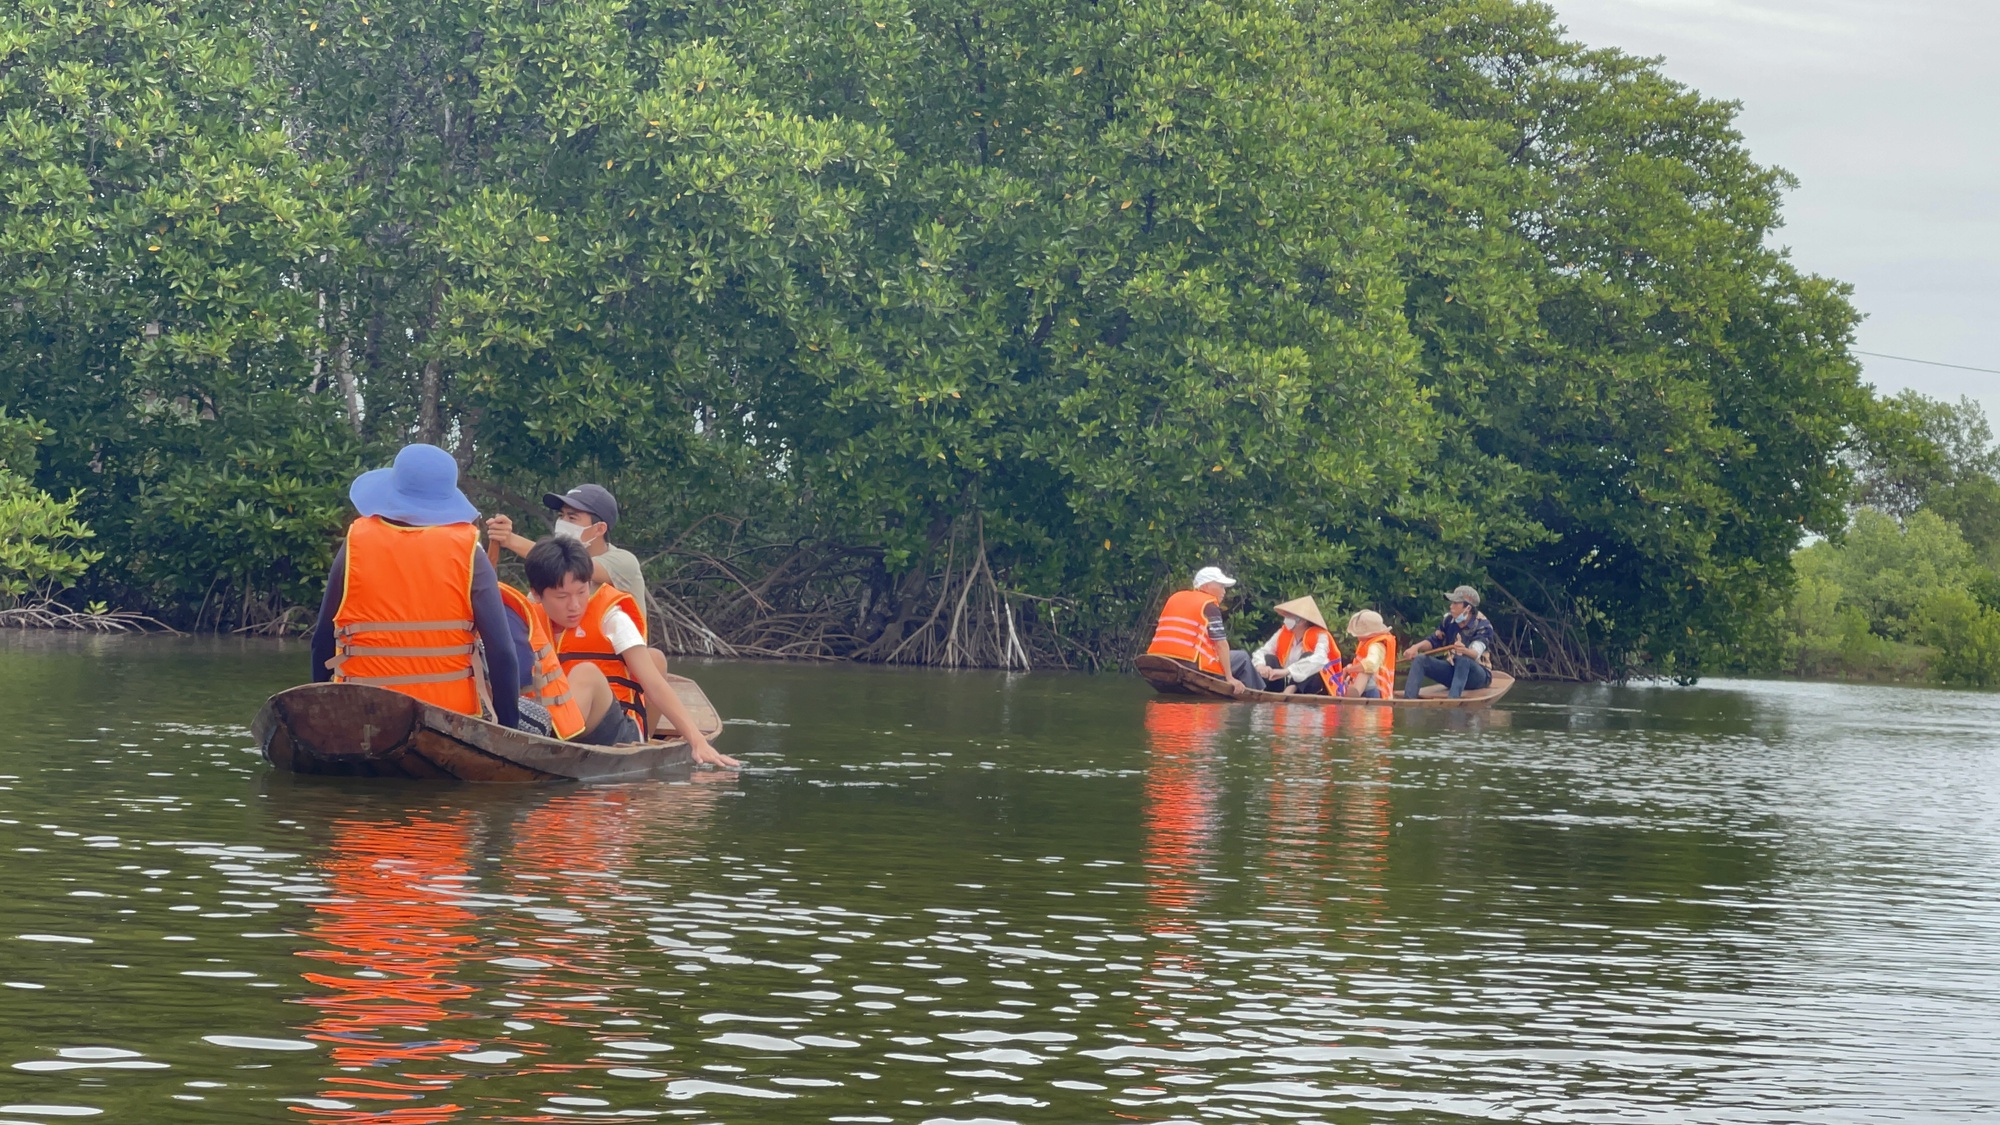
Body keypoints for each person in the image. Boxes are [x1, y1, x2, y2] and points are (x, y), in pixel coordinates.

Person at [310, 444, 520, 728]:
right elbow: (503, 655)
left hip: (361, 710)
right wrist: (508, 730)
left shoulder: (356, 543)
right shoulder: (470, 552)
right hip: (448, 719)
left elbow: (323, 638)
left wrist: (321, 714)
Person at [532, 536, 739, 768]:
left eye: (582, 592)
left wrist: (697, 741)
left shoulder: (612, 619)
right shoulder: (528, 620)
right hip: (551, 720)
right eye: (562, 597)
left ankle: (540, 746)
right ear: (537, 595)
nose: (575, 605)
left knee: (586, 673)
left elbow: (655, 685)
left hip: (617, 730)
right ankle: (534, 736)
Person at [485, 483, 647, 602]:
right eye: (561, 516)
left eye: (572, 517)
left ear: (599, 529)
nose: (563, 522)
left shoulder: (624, 562)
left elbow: (570, 564)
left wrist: (511, 540)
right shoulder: (550, 570)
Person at [1144, 566, 1258, 695]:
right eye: (1221, 586)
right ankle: (1256, 697)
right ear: (1206, 586)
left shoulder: (1174, 598)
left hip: (1159, 657)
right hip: (1190, 664)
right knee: (1242, 657)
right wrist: (1229, 678)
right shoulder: (1209, 605)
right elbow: (1220, 644)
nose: (1224, 591)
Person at [1404, 584, 1497, 700]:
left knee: (1463, 659)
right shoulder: (1448, 620)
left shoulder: (1483, 625)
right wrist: (1416, 647)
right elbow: (1434, 641)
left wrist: (1464, 650)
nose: (1451, 606)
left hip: (1478, 675)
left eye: (1455, 603)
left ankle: (1452, 700)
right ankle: (1408, 700)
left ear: (1468, 608)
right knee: (1420, 659)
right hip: (1453, 672)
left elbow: (1475, 653)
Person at [1248, 596, 1342, 695]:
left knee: (1309, 657)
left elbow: (1320, 659)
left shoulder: (1321, 635)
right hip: (1282, 681)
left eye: (1290, 616)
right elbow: (1263, 651)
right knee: (1269, 658)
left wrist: (1287, 671)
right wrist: (1261, 666)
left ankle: (1289, 691)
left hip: (1311, 685)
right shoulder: (1283, 632)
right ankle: (1264, 691)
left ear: (1302, 621)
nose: (1286, 619)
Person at [1343, 609, 1398, 699]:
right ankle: (1350, 691)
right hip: (1367, 689)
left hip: (1375, 692)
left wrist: (1350, 670)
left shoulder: (1377, 646)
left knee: (1366, 670)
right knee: (1358, 668)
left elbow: (1371, 665)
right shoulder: (1367, 643)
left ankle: (1354, 694)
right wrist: (1349, 668)